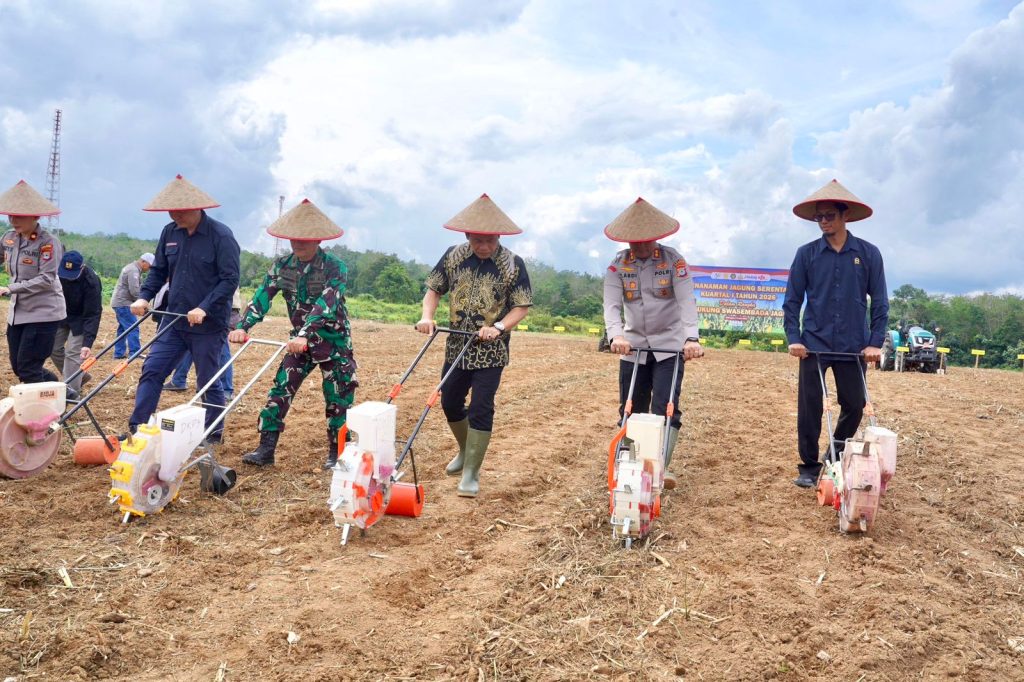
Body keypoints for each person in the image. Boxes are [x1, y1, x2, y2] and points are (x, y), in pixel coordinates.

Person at [415, 194, 532, 498]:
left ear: (499, 237)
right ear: (467, 235)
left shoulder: (513, 264)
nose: (484, 246)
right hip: (457, 346)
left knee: (481, 407)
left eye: (490, 240)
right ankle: (466, 449)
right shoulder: (453, 256)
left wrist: (498, 327)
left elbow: (521, 306)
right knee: (450, 402)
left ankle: (471, 472)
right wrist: (427, 316)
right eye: (478, 240)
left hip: (491, 351)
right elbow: (434, 290)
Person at [230, 199, 356, 469]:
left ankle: (338, 452)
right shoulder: (281, 266)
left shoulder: (335, 267)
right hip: (300, 343)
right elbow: (263, 297)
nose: (297, 244)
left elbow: (326, 304)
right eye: (293, 239)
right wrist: (242, 326)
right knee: (280, 388)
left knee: (338, 397)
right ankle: (266, 450)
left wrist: (304, 334)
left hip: (333, 343)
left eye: (304, 239)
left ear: (318, 240)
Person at [783, 179, 888, 489]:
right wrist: (794, 338)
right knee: (810, 407)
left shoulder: (868, 254)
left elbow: (880, 301)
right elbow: (792, 300)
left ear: (845, 216)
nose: (824, 222)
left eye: (829, 215)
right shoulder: (806, 254)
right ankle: (808, 466)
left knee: (854, 405)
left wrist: (874, 343)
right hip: (813, 344)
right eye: (819, 217)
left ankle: (834, 457)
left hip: (853, 345)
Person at [125, 175, 240, 441]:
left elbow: (230, 279)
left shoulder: (221, 236)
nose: (174, 215)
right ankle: (138, 428)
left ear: (197, 208)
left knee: (207, 380)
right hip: (174, 320)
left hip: (208, 324)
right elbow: (159, 270)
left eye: (180, 211)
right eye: (171, 210)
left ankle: (212, 433)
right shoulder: (170, 232)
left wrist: (204, 307)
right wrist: (144, 297)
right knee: (152, 369)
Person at [602, 198, 704, 490]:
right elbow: (611, 305)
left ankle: (660, 466)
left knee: (665, 407)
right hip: (632, 346)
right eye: (635, 240)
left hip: (669, 345)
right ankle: (628, 464)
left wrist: (691, 338)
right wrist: (616, 336)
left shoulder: (673, 262)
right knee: (630, 407)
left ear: (657, 236)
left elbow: (686, 301)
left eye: (646, 239)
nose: (641, 246)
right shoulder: (617, 266)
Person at [0, 180, 66, 384]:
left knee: (28, 368)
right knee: (19, 367)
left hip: (43, 313)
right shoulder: (9, 238)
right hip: (18, 313)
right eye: (11, 215)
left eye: (19, 216)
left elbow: (46, 279)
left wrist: (10, 288)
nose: (13, 220)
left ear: (36, 216)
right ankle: (63, 392)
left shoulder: (48, 242)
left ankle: (52, 399)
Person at [166, 288, 242, 397]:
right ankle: (178, 379)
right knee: (191, 341)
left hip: (220, 306)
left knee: (220, 347)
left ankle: (226, 389)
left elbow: (226, 284)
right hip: (199, 306)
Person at [50, 251, 102, 398]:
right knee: (52, 348)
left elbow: (93, 313)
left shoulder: (91, 281)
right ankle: (80, 376)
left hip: (82, 318)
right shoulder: (56, 275)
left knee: (73, 353)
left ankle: (71, 395)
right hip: (62, 315)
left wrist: (87, 343)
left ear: (82, 267)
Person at [110, 253, 154, 358]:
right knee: (133, 327)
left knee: (123, 329)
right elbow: (134, 291)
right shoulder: (133, 271)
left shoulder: (132, 268)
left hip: (119, 302)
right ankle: (135, 352)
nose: (149, 269)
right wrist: (143, 302)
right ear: (143, 262)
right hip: (124, 303)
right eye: (149, 266)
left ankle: (119, 353)